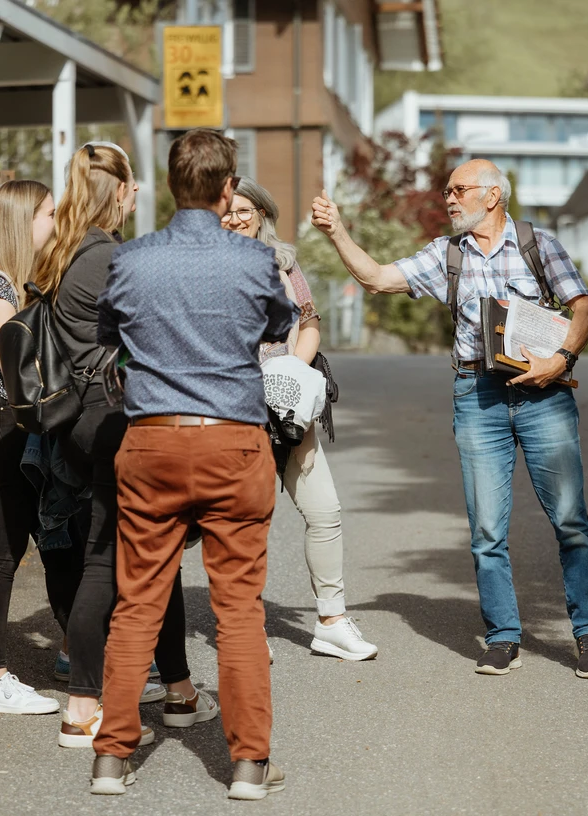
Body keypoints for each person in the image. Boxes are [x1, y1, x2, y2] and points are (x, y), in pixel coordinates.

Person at [311, 159, 588, 678]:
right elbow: (378, 278)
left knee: (569, 520)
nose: (448, 198)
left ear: (492, 196)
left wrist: (559, 360)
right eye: (447, 190)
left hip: (545, 393)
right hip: (477, 395)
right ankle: (502, 637)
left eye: (459, 190)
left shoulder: (539, 244)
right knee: (486, 528)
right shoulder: (447, 253)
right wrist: (337, 230)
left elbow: (585, 308)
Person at [89, 129, 298, 799]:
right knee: (239, 611)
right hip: (233, 440)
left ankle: (111, 757)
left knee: (137, 603)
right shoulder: (253, 259)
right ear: (228, 187)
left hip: (150, 440)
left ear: (173, 184)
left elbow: (106, 337)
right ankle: (248, 765)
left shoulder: (132, 259)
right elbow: (276, 325)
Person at [33, 142, 213, 749]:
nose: (139, 197)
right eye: (134, 187)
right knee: (112, 562)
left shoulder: (66, 249)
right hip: (114, 418)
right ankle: (89, 704)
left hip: (85, 421)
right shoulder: (107, 255)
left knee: (138, 557)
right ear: (120, 192)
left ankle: (171, 691)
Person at [223, 177, 377, 661]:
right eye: (227, 210)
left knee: (324, 512)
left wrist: (292, 370)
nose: (236, 218)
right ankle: (246, 628)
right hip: (237, 411)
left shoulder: (284, 263)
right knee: (246, 522)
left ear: (263, 213)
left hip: (288, 407)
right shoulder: (210, 264)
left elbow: (308, 322)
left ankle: (331, 620)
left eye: (245, 209)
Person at [0, 180, 63, 714]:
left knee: (11, 550)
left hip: (5, 425)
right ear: (25, 220)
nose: (55, 221)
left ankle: (2, 672)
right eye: (49, 213)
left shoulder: (9, 282)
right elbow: (13, 361)